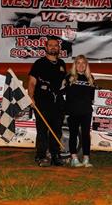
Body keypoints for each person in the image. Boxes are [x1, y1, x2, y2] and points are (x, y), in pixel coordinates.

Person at [28, 37, 66, 167]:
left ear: (58, 48)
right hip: (42, 102)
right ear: (46, 47)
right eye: (51, 45)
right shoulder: (39, 63)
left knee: (57, 130)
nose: (53, 47)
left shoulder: (62, 63)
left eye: (56, 45)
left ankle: (55, 155)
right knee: (43, 130)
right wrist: (31, 97)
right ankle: (41, 156)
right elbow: (32, 82)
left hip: (58, 103)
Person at [63, 55, 95, 167]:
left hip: (86, 111)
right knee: (74, 134)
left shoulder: (90, 78)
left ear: (86, 65)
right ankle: (74, 158)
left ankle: (86, 158)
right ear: (75, 65)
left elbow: (91, 97)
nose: (81, 65)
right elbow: (63, 94)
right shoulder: (69, 78)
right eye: (78, 63)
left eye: (83, 63)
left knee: (86, 135)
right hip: (73, 111)